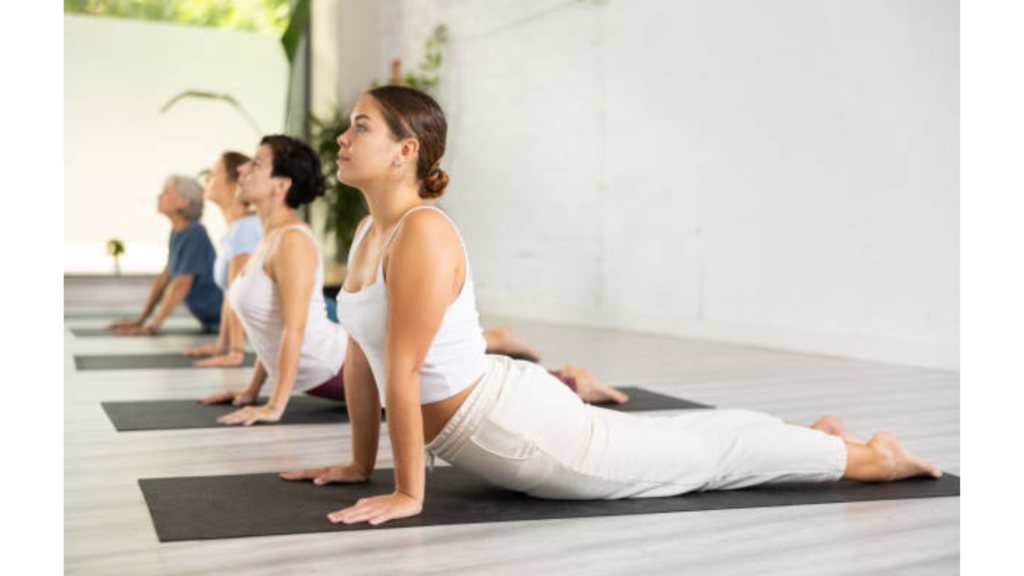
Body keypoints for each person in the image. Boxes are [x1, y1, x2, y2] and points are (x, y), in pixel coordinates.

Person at [280, 86, 942, 527]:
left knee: (701, 462)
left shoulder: (423, 231)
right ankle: (809, 439)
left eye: (359, 126)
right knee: (671, 439)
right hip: (505, 409)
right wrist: (360, 465)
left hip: (514, 431)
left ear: (405, 151)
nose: (342, 138)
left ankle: (871, 458)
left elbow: (402, 372)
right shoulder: (371, 232)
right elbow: (364, 363)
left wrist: (408, 494)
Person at [200, 136, 627, 426]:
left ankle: (572, 382)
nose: (243, 172)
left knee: (454, 388)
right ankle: (500, 339)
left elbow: (294, 328)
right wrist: (250, 390)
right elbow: (267, 329)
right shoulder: (265, 239)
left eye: (255, 164)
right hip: (319, 372)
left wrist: (275, 406)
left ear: (281, 184)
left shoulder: (292, 241)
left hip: (333, 368)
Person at [108, 175, 222, 335]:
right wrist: (140, 321)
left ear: (184, 202)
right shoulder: (178, 232)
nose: (159, 196)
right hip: (210, 323)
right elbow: (164, 278)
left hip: (223, 322)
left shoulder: (195, 232)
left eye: (167, 192)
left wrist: (151, 327)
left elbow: (181, 284)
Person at [183, 152, 262, 367]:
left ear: (235, 183)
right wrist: (222, 345)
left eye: (214, 174)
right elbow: (230, 292)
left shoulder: (245, 229)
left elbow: (238, 291)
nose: (207, 180)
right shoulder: (237, 229)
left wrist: (236, 352)